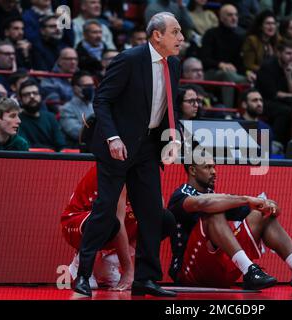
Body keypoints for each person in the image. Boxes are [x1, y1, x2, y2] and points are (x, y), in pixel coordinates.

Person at [72, 12, 183, 298]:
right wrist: (112, 137)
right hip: (117, 146)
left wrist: (174, 134)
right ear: (157, 35)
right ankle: (83, 275)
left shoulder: (174, 64)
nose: (181, 38)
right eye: (175, 32)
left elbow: (170, 106)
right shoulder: (130, 59)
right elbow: (102, 100)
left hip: (147, 147)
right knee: (105, 209)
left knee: (151, 213)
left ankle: (145, 278)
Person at [167, 154, 292, 291]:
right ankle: (250, 270)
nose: (214, 171)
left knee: (261, 214)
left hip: (220, 272)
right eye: (207, 167)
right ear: (192, 170)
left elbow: (257, 209)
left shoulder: (215, 196)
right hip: (188, 273)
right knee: (213, 211)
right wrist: (247, 199)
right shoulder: (180, 195)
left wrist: (269, 206)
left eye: (214, 166)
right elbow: (203, 203)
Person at [61, 165, 176, 291]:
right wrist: (128, 272)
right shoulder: (120, 165)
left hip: (112, 222)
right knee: (109, 219)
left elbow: (156, 207)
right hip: (77, 222)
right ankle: (81, 264)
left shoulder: (146, 165)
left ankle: (110, 262)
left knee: (163, 219)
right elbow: (119, 222)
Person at [17, 79, 66, 151]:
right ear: (20, 99)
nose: (32, 96)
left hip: (54, 159)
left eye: (35, 93)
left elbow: (61, 144)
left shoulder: (51, 117)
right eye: (27, 94)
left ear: (40, 96)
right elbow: (25, 147)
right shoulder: (17, 120)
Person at [59, 71, 95, 147]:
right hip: (78, 150)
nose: (91, 88)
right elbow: (78, 133)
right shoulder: (67, 109)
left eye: (92, 85)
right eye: (87, 86)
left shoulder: (94, 106)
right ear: (75, 88)